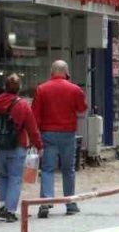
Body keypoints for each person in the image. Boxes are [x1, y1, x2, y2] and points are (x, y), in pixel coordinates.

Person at [0, 74, 43, 222]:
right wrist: (38, 145)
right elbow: (32, 127)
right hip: (17, 146)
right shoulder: (23, 105)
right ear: (19, 88)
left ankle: (3, 205)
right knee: (15, 178)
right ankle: (10, 210)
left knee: (3, 176)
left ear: (4, 86)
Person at [33, 60, 88, 219]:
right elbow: (82, 109)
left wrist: (35, 137)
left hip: (47, 133)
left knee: (48, 169)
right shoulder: (74, 89)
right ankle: (70, 203)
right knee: (68, 169)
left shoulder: (41, 89)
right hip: (67, 133)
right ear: (66, 72)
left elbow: (35, 114)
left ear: (52, 71)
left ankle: (46, 201)